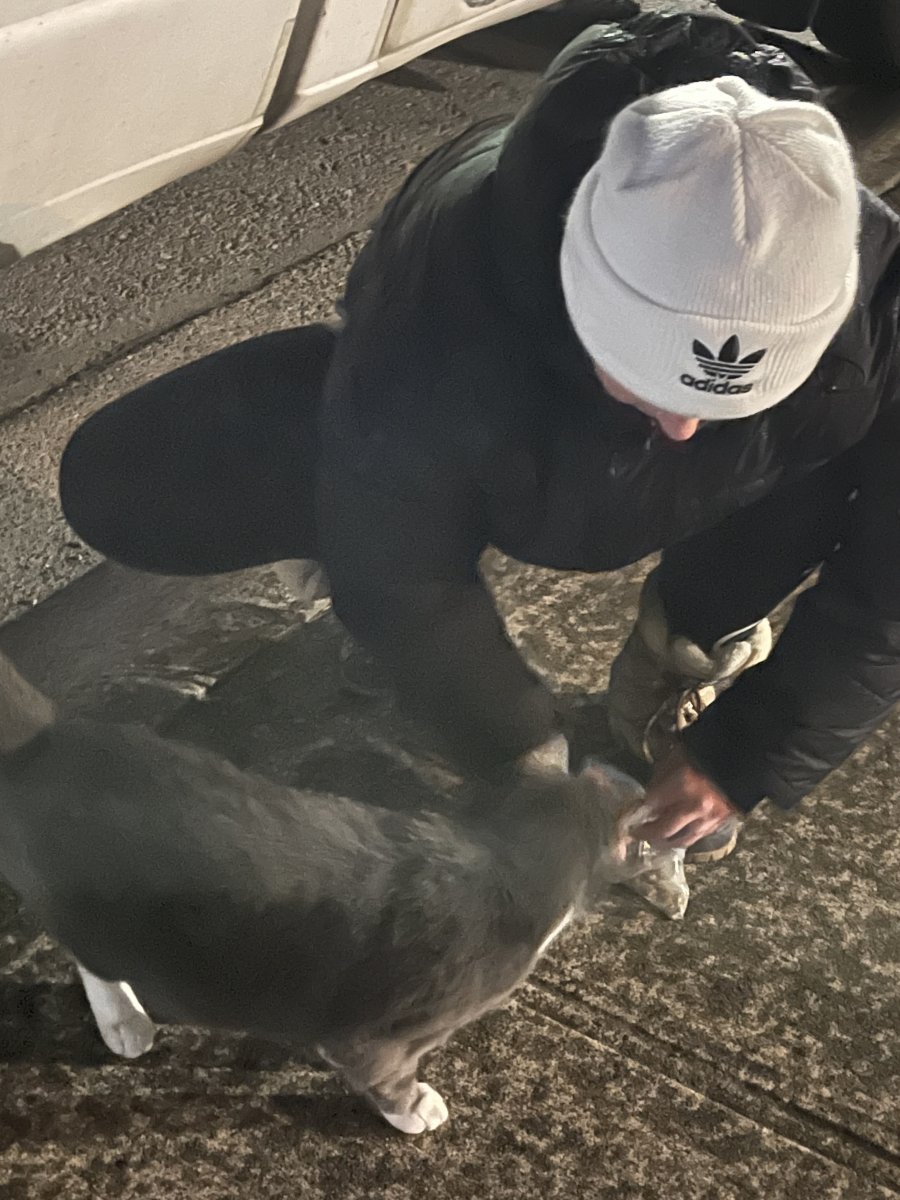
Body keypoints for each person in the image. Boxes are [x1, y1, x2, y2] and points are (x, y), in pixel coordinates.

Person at [59, 12, 900, 863]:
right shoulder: (445, 305)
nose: (683, 426)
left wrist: (746, 753)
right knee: (218, 487)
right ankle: (356, 540)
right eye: (642, 375)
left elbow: (891, 579)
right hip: (489, 417)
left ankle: (683, 642)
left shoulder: (882, 292)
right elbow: (404, 573)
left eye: (739, 393)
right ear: (579, 289)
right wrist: (528, 758)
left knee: (834, 450)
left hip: (726, 471)